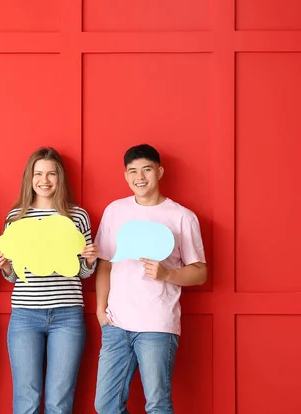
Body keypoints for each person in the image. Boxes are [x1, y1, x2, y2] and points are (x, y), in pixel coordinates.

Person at [94, 144, 207, 414]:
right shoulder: (114, 211)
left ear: (159, 171)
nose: (139, 177)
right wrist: (100, 309)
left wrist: (168, 273)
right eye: (132, 171)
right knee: (105, 404)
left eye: (146, 169)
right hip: (116, 323)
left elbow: (200, 272)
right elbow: (105, 264)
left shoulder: (182, 216)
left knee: (157, 404)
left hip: (157, 324)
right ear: (125, 176)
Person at [0, 147, 98, 414]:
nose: (45, 180)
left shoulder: (77, 216)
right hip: (26, 316)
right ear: (30, 177)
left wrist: (90, 261)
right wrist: (4, 266)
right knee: (26, 399)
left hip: (68, 316)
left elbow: (82, 273)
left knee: (59, 403)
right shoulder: (15, 218)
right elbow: (15, 275)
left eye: (51, 174)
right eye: (38, 173)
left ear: (60, 178)